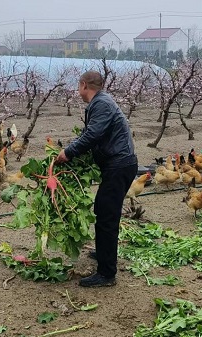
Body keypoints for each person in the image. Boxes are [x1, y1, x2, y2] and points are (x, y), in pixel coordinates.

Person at [56, 70, 137, 287]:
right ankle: (104, 253)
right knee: (103, 211)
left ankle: (107, 273)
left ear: (83, 85)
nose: (78, 91)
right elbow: (90, 133)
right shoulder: (102, 102)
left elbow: (92, 135)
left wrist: (68, 153)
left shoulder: (101, 104)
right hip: (118, 163)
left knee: (107, 215)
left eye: (78, 86)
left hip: (119, 165)